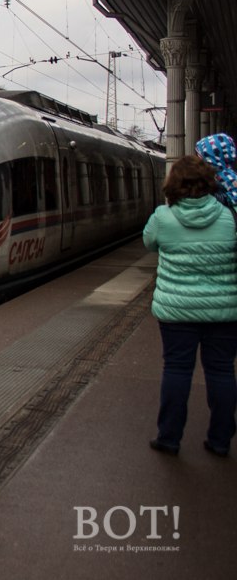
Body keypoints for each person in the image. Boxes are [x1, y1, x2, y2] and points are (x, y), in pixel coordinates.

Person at [143, 154, 237, 456]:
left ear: (173, 183)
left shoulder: (162, 216)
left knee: (177, 370)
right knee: (222, 372)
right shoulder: (228, 216)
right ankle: (220, 441)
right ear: (210, 182)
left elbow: (149, 243)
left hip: (177, 310)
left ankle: (169, 438)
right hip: (224, 309)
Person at [195, 132, 237, 206]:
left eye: (200, 156)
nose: (198, 160)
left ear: (211, 157)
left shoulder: (224, 177)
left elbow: (232, 198)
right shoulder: (226, 175)